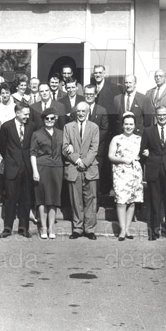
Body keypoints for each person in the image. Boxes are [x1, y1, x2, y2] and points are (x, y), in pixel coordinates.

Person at [140, 105, 166, 241]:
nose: (162, 117)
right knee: (154, 202)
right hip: (154, 171)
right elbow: (143, 150)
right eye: (159, 115)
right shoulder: (148, 131)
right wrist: (147, 155)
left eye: (164, 114)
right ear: (156, 116)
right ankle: (154, 231)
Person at [62, 101, 99, 240]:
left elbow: (94, 148)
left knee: (90, 199)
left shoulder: (94, 127)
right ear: (75, 112)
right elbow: (65, 148)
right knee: (75, 199)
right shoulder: (68, 127)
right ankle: (77, 228)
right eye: (78, 111)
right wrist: (77, 160)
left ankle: (89, 229)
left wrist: (85, 162)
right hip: (74, 167)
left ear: (88, 112)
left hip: (90, 168)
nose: (81, 113)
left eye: (83, 111)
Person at [0, 102, 35, 238]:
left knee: (26, 199)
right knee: (10, 199)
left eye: (28, 114)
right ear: (17, 113)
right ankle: (7, 228)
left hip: (27, 168)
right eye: (25, 114)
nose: (27, 117)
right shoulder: (7, 126)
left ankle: (24, 229)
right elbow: (2, 146)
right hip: (12, 168)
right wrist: (10, 160)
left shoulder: (31, 126)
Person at [108, 112, 143, 241]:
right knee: (121, 200)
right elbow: (111, 156)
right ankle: (122, 229)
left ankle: (127, 229)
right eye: (126, 124)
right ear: (122, 125)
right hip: (120, 171)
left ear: (134, 125)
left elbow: (144, 153)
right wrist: (123, 160)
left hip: (134, 172)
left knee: (132, 201)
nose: (128, 126)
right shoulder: (116, 139)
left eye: (131, 124)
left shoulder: (139, 139)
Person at [30, 107, 64, 240]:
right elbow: (32, 153)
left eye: (52, 118)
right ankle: (43, 227)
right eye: (47, 118)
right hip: (42, 167)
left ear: (55, 119)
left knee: (54, 199)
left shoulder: (61, 133)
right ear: (43, 120)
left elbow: (66, 148)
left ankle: (51, 227)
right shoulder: (37, 134)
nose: (49, 121)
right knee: (42, 198)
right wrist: (35, 171)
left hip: (57, 168)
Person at [0, 82, 16, 205]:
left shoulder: (15, 107)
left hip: (14, 142)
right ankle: (1, 195)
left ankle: (12, 196)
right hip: (0, 141)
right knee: (0, 170)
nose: (5, 95)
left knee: (12, 170)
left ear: (10, 93)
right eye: (2, 93)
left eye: (7, 92)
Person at [83, 84, 110, 194]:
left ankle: (95, 204)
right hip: (82, 150)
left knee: (95, 178)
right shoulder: (79, 109)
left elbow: (104, 129)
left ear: (95, 95)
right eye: (86, 94)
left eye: (91, 94)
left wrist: (92, 142)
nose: (89, 96)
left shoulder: (102, 110)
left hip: (97, 150)